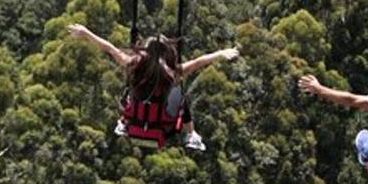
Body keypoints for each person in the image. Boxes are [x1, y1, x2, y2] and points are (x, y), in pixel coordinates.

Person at [67, 23, 239, 150]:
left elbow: (110, 49)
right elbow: (197, 63)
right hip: (164, 125)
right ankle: (190, 133)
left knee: (131, 89)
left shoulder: (132, 65)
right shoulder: (172, 73)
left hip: (136, 119)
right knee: (178, 93)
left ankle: (124, 122)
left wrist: (86, 33)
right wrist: (220, 54)